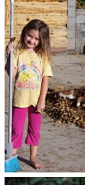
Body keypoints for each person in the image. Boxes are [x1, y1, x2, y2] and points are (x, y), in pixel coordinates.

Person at [5, 18, 52, 169]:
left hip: (35, 100)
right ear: (24, 33)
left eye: (36, 38)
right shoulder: (17, 53)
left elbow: (45, 80)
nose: (31, 40)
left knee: (34, 129)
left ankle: (32, 157)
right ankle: (12, 157)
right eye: (29, 36)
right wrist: (8, 56)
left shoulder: (43, 57)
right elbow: (11, 74)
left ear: (42, 40)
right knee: (16, 130)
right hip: (20, 99)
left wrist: (42, 100)